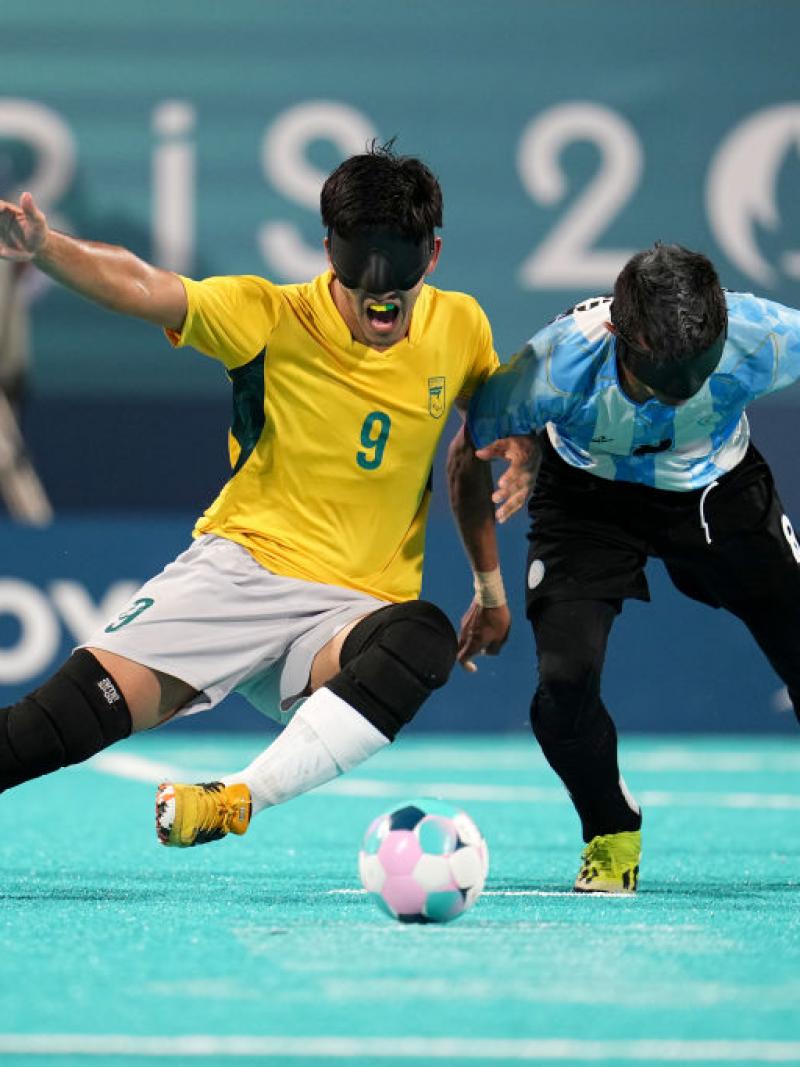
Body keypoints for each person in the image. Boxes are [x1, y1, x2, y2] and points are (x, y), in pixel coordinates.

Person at [0, 142, 517, 847]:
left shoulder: (462, 326)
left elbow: (480, 442)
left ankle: (238, 799)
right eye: (357, 261)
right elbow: (143, 283)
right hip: (240, 573)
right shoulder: (267, 317)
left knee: (421, 636)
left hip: (349, 619)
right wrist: (45, 248)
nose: (378, 289)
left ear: (432, 254)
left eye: (397, 265)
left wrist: (493, 570)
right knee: (46, 728)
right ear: (328, 246)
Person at [461, 241, 800, 894]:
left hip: (718, 493)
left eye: (694, 379)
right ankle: (610, 831)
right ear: (620, 334)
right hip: (588, 499)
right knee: (562, 689)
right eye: (654, 382)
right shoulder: (551, 368)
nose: (671, 403)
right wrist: (488, 587)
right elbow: (465, 453)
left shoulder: (764, 335)